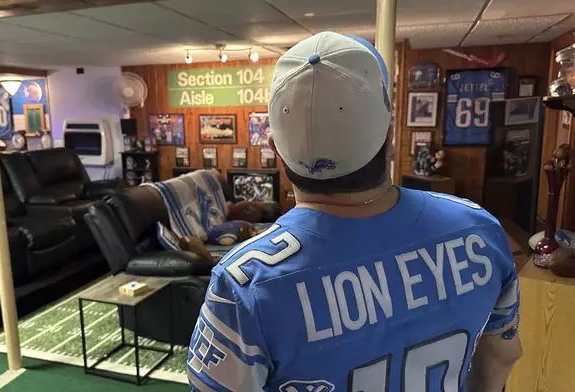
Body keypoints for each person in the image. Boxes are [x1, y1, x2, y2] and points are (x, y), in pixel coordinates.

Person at [186, 31, 521, 392]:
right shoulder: (479, 229)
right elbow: (498, 359)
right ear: (391, 138)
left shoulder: (245, 284)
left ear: (274, 149)